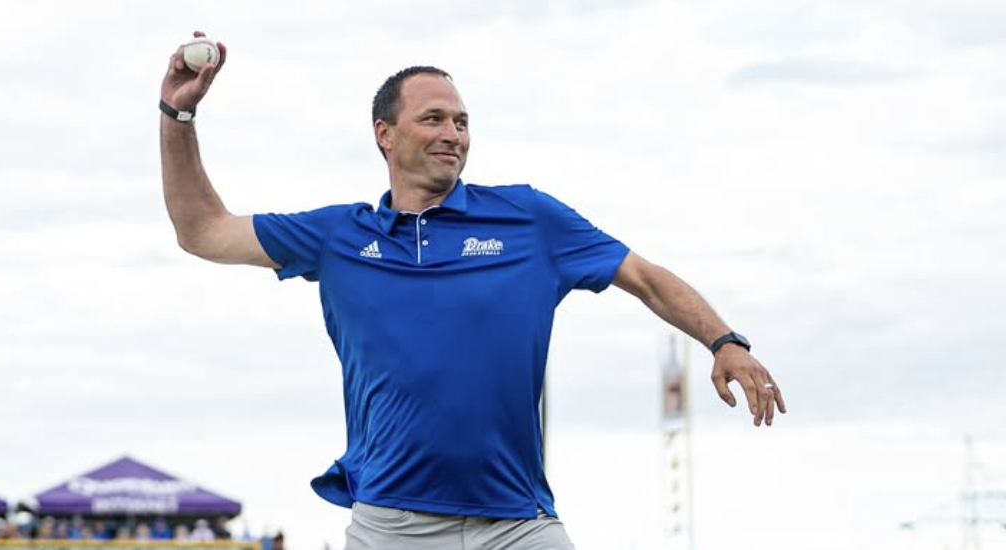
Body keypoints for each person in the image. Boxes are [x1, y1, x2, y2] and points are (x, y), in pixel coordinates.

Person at [159, 31, 787, 550]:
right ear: (384, 134)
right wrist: (177, 116)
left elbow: (645, 276)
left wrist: (724, 341)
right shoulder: (337, 236)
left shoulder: (530, 220)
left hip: (517, 525)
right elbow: (202, 231)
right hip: (390, 526)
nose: (453, 134)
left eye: (461, 122)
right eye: (433, 118)